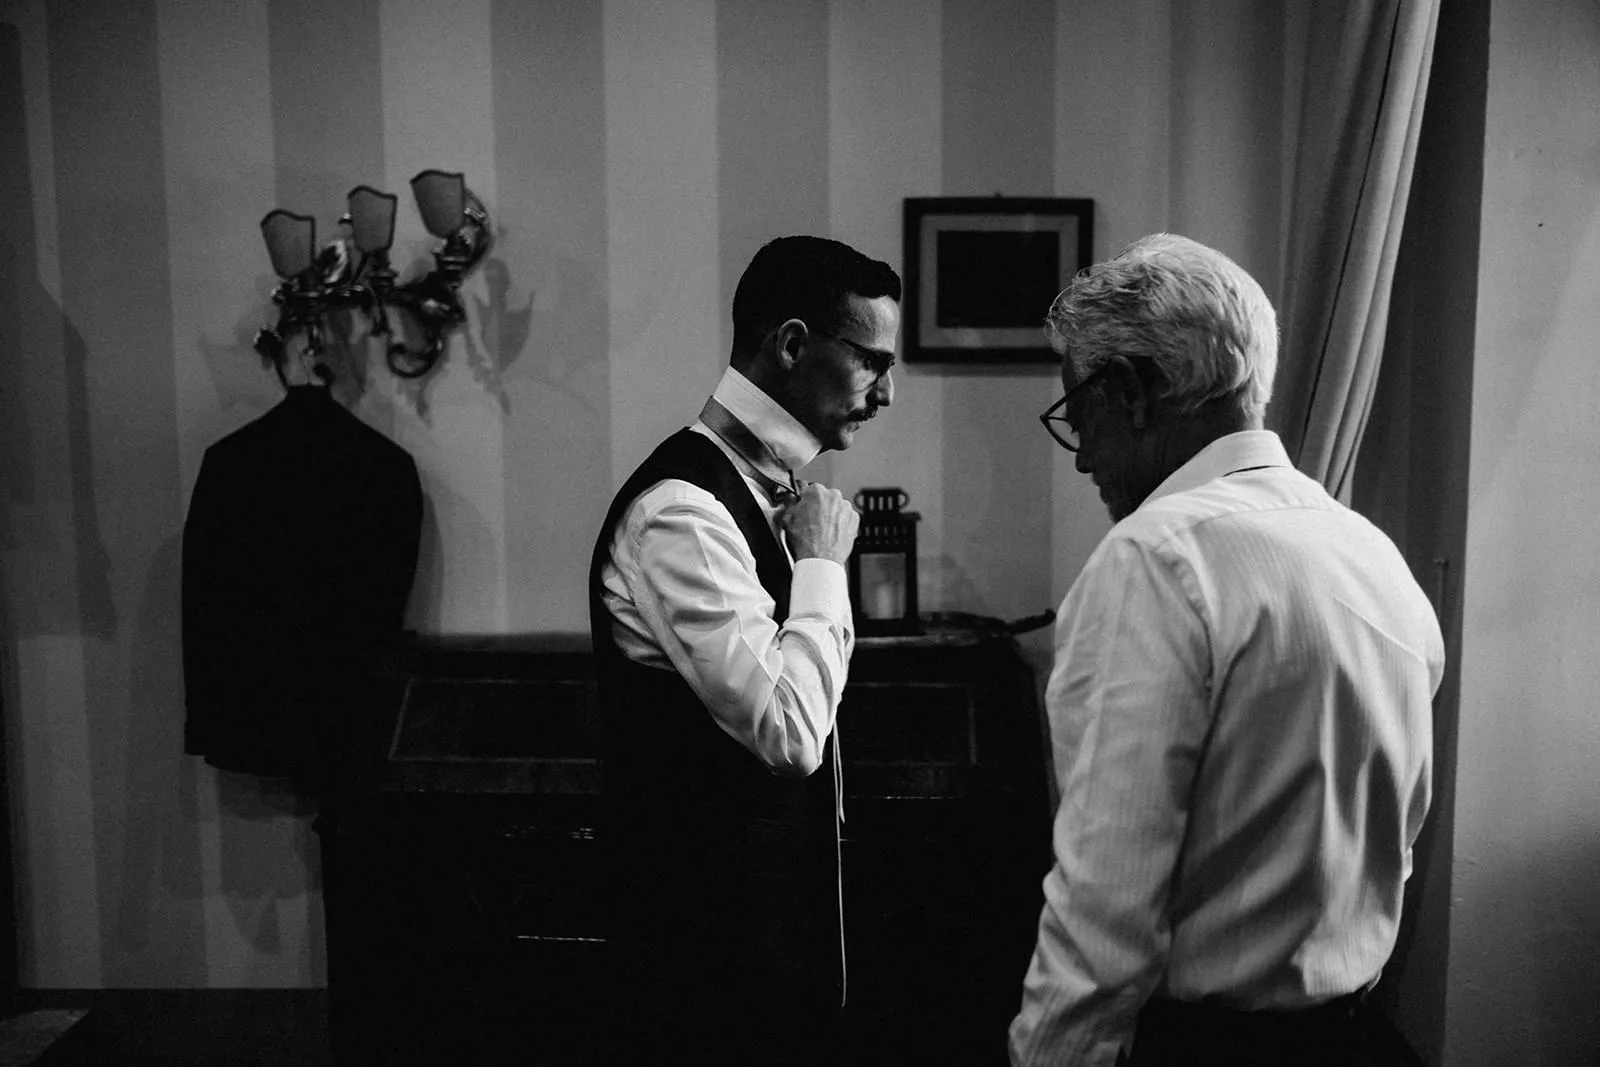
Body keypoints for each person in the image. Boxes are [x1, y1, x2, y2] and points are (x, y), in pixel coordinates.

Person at [1010, 233, 1443, 1066]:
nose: (1084, 459)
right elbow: (1399, 836)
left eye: (1079, 415)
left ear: (1131, 392)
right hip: (1355, 1034)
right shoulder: (1371, 554)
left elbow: (1105, 905)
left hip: (1206, 1044)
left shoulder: (1157, 559)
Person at [589, 235, 901, 1065]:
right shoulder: (681, 512)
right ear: (793, 344)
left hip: (775, 939)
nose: (889, 392)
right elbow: (791, 732)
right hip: (704, 955)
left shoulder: (772, 492)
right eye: (872, 360)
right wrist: (826, 567)